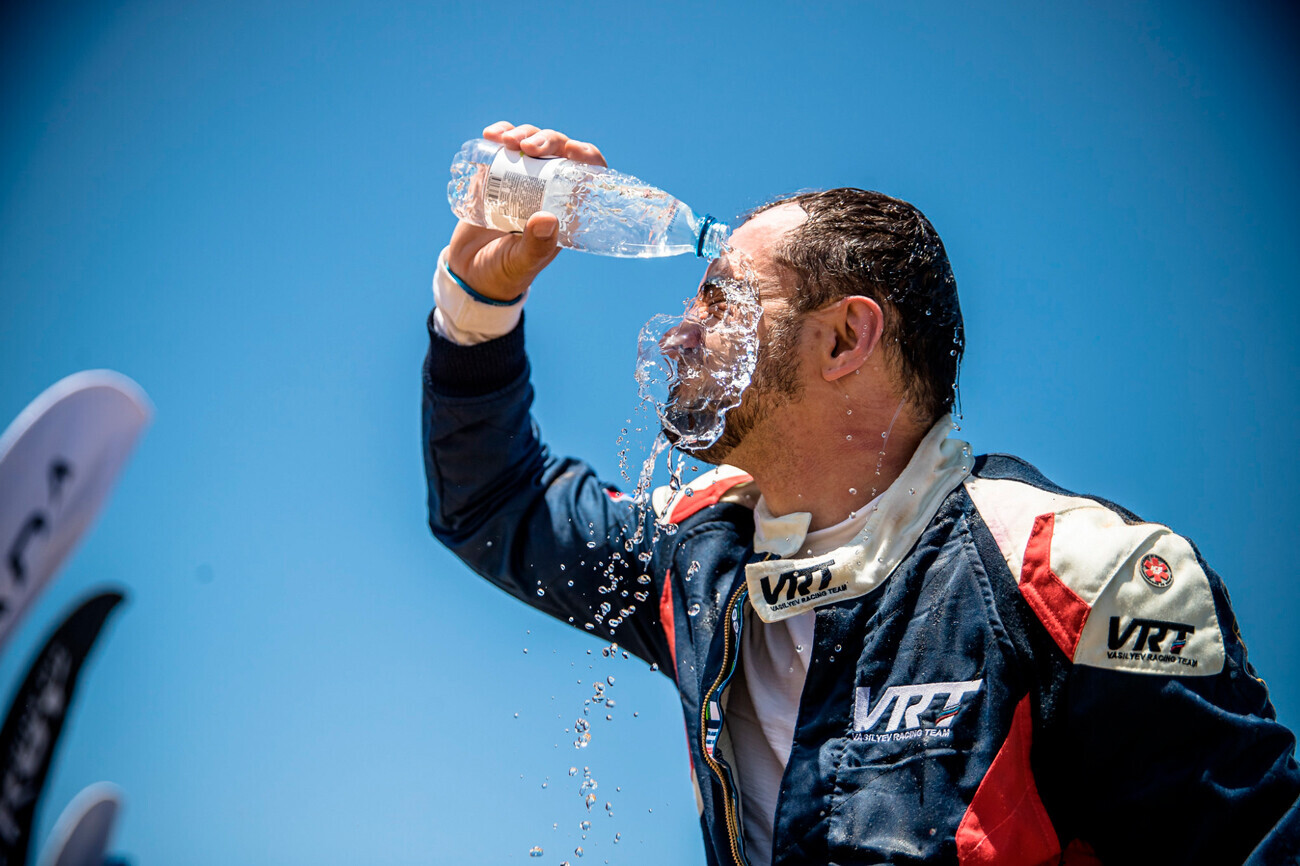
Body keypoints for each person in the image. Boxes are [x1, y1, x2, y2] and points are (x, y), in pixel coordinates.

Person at [422, 121, 1300, 865]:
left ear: (846, 337)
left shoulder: (1070, 572)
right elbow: (494, 502)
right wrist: (475, 306)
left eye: (723, 303)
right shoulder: (701, 555)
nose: (680, 338)